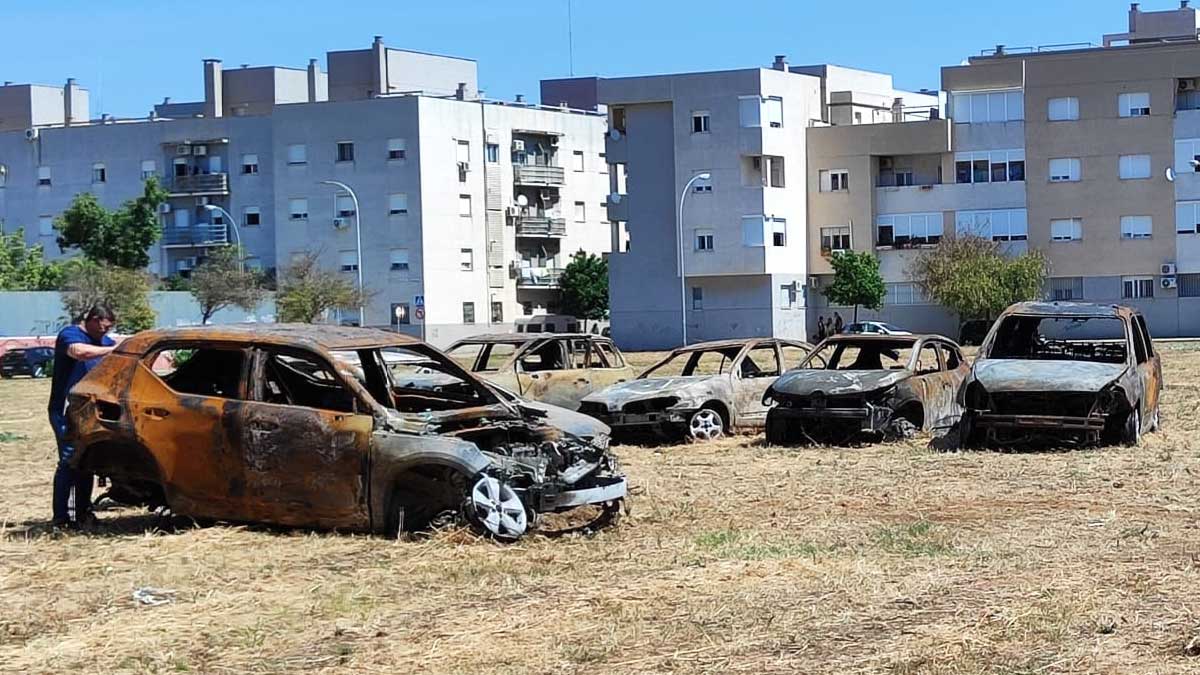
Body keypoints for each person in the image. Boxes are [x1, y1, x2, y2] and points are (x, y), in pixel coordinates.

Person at [49, 305, 117, 529]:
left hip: (93, 411)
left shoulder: (106, 342)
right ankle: (61, 518)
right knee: (69, 461)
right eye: (103, 328)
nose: (104, 333)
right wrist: (112, 350)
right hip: (66, 411)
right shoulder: (70, 334)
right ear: (95, 320)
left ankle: (83, 513)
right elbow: (79, 352)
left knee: (88, 461)